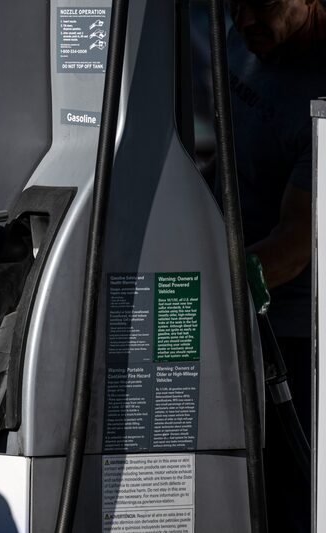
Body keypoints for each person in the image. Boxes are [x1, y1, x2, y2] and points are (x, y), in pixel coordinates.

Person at [226, 0, 326, 530]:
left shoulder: (322, 91)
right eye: (232, 3)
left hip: (289, 335)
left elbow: (297, 240)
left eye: (261, 3)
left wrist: (212, 277)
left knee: (287, 499)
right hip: (238, 305)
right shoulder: (246, 39)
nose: (243, 20)